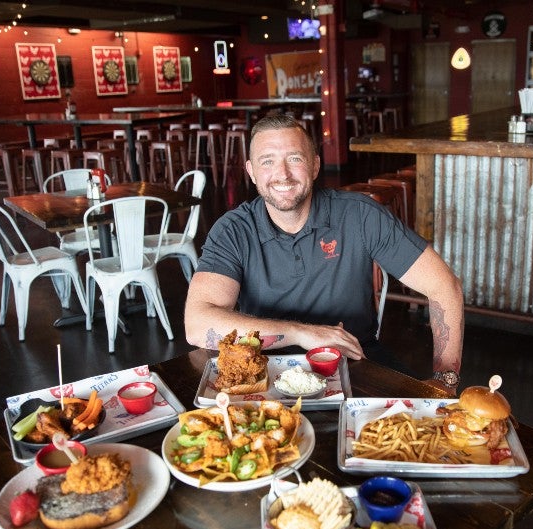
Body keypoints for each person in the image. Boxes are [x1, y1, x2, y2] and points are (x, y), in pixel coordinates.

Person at [184, 114, 465, 394]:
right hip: (264, 371)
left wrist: (446, 379)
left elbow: (443, 285)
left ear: (315, 165)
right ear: (252, 171)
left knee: (425, 423)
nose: (282, 174)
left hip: (355, 363)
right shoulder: (233, 230)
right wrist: (302, 333)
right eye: (267, 161)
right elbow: (197, 325)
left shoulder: (359, 214)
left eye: (295, 158)